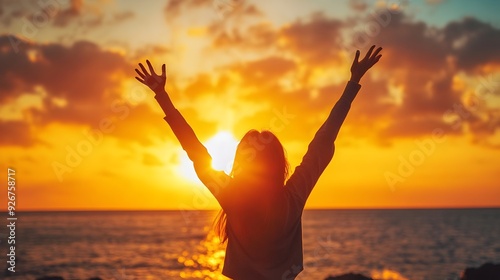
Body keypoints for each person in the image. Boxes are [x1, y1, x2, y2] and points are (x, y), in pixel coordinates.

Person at [135, 45, 382, 280]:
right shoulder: (292, 198)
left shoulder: (231, 194)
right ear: (278, 163)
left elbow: (195, 150)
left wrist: (162, 95)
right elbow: (323, 140)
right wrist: (353, 82)